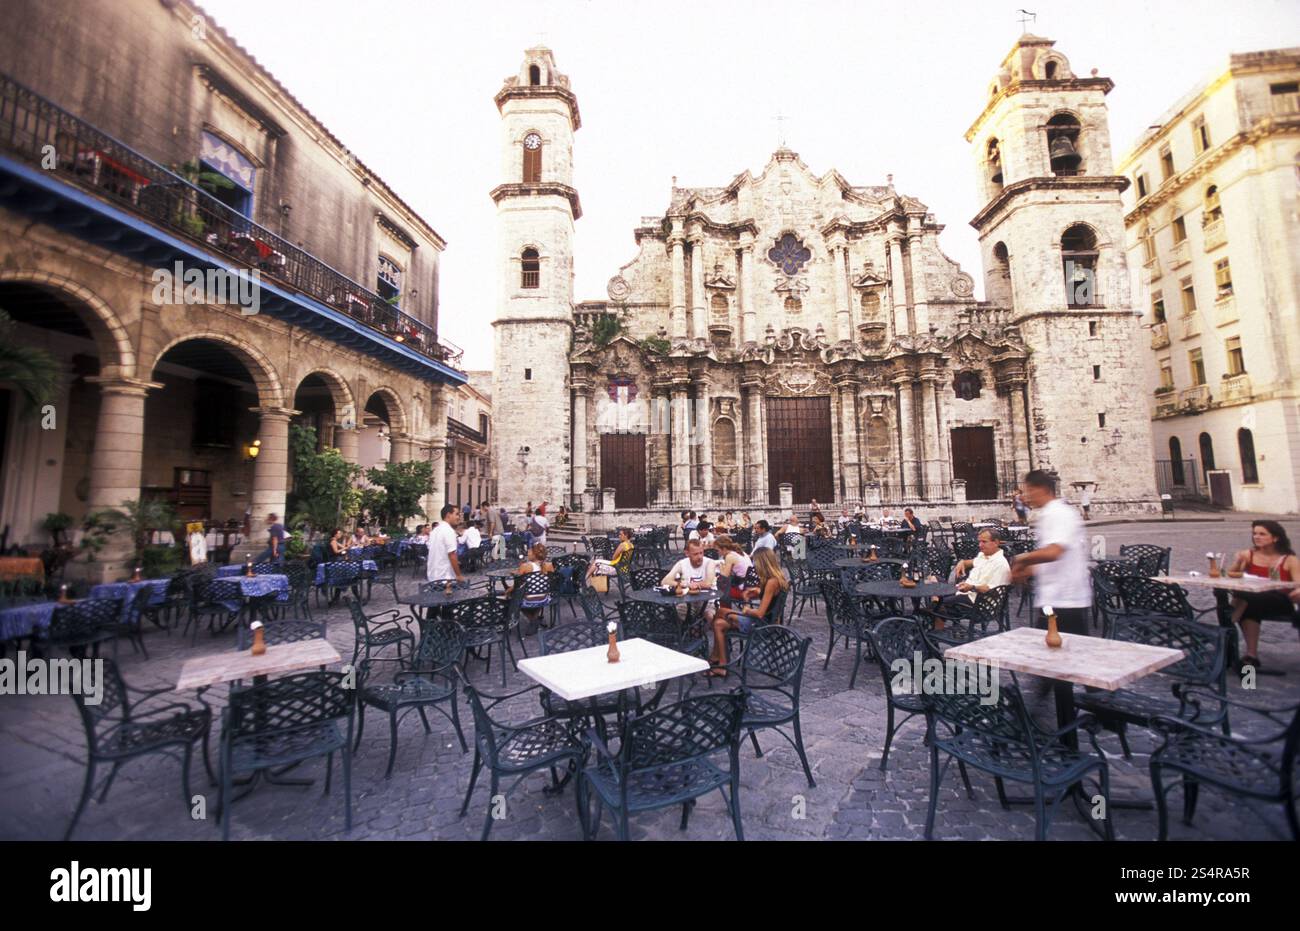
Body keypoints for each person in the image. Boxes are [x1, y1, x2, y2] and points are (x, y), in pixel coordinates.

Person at [1009, 470, 1091, 636]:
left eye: (1029, 490)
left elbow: (1054, 552)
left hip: (1066, 602)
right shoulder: (1049, 514)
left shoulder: (1060, 513)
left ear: (1042, 489)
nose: (1027, 496)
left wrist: (1021, 560)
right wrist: (1028, 572)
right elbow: (1053, 560)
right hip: (1053, 600)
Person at [1227, 520, 1300, 673]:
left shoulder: (1289, 560)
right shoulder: (1249, 555)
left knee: (1246, 597)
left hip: (1282, 601)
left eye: (1262, 534)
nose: (1257, 537)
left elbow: (1298, 583)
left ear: (1275, 538)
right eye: (1254, 534)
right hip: (1253, 601)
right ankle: (1251, 655)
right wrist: (1239, 561)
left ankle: (1227, 624)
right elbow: (1230, 576)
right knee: (1250, 602)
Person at [709, 548, 789, 674]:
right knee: (718, 624)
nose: (754, 565)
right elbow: (771, 598)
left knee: (720, 612)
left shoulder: (771, 582)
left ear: (762, 562)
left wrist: (747, 610)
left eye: (756, 562)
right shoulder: (778, 579)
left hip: (760, 624)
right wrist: (757, 592)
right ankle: (721, 665)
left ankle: (715, 657)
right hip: (766, 622)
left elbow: (760, 613)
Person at [660, 539, 720, 622]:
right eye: (695, 554)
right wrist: (686, 584)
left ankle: (700, 633)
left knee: (709, 615)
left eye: (701, 553)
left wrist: (686, 585)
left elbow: (708, 583)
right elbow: (665, 581)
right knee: (674, 615)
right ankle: (686, 632)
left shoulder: (709, 563)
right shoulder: (682, 563)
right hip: (687, 600)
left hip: (707, 601)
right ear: (687, 553)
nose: (700, 557)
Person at [950, 529, 1012, 603]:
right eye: (979, 541)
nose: (980, 545)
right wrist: (962, 562)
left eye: (984, 542)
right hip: (965, 593)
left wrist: (971, 587)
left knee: (938, 604)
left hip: (977, 603)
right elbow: (970, 562)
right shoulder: (983, 555)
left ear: (995, 542)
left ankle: (939, 607)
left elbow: (992, 591)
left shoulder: (1000, 564)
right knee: (935, 579)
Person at [510, 543, 555, 635]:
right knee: (539, 591)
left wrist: (507, 591)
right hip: (544, 598)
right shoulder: (549, 565)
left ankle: (533, 620)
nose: (527, 554)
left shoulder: (525, 566)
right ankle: (535, 618)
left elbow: (517, 585)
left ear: (534, 555)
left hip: (528, 599)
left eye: (529, 552)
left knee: (514, 598)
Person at [426, 505, 465, 585]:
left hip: (433, 576)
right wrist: (459, 575)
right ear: (448, 515)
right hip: (445, 577)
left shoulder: (435, 530)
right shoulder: (448, 531)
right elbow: (452, 555)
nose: (459, 517)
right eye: (457, 514)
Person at [716, 534, 753, 602]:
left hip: (742, 589)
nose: (717, 552)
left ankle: (725, 610)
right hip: (750, 585)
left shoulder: (729, 556)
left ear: (723, 549)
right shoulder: (740, 552)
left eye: (718, 550)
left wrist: (720, 567)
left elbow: (724, 577)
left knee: (719, 588)